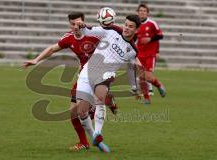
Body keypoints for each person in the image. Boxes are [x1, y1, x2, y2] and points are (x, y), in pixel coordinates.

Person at [22, 12, 117, 151]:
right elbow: (52, 49)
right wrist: (36, 60)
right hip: (83, 77)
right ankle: (84, 142)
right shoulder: (69, 38)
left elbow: (115, 40)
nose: (75, 27)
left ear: (83, 23)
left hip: (100, 75)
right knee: (73, 113)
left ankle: (104, 102)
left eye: (78, 23)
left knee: (85, 110)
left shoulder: (95, 34)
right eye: (72, 24)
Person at [75, 15, 142, 152]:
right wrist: (82, 26)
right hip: (88, 71)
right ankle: (95, 138)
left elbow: (130, 69)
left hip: (106, 74)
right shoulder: (111, 31)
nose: (126, 28)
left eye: (130, 26)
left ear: (136, 30)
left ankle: (98, 133)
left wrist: (134, 87)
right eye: (126, 24)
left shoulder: (133, 50)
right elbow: (88, 31)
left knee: (99, 97)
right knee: (81, 111)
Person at [136, 4, 166, 104]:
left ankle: (159, 85)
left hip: (150, 54)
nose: (142, 12)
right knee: (141, 78)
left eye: (144, 11)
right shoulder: (136, 25)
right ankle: (147, 98)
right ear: (138, 12)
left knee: (148, 77)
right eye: (140, 10)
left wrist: (150, 39)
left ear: (147, 13)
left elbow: (160, 35)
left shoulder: (152, 23)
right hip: (139, 55)